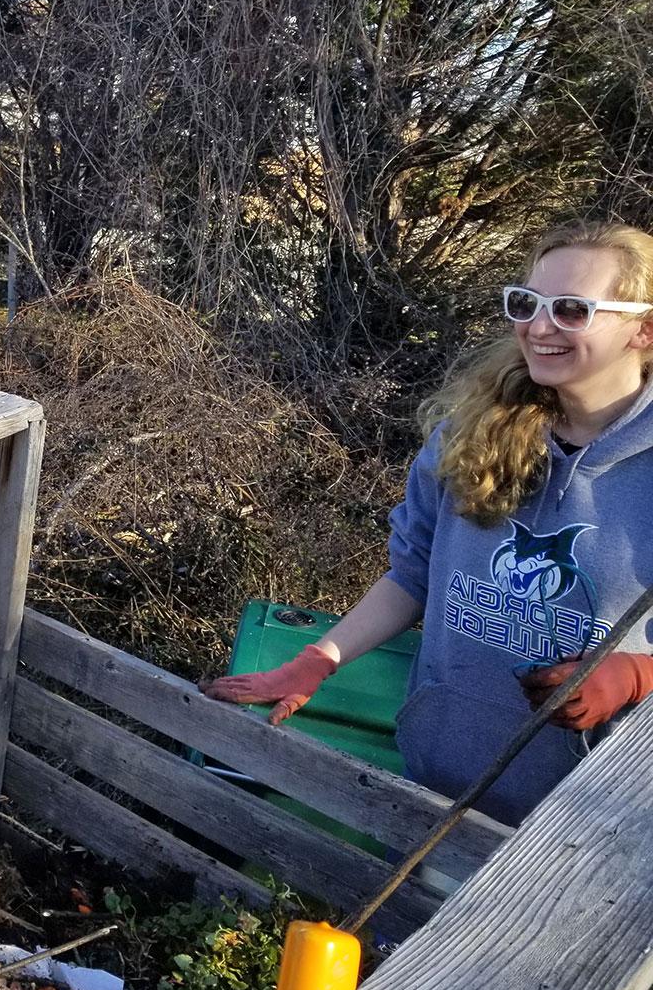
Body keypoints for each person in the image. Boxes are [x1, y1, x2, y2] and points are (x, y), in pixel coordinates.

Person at [203, 221, 653, 826]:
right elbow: (414, 573)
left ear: (643, 328)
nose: (539, 328)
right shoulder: (471, 436)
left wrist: (632, 676)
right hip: (435, 784)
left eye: (573, 310)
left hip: (584, 827)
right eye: (528, 304)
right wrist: (317, 659)